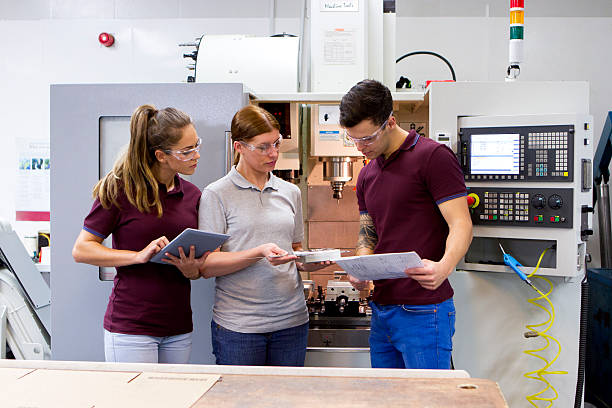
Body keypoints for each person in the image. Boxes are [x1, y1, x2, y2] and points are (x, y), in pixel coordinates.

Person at [339, 79, 473, 369]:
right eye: (353, 139)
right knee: (387, 399)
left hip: (424, 310)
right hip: (382, 309)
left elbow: (461, 223)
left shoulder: (432, 157)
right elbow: (368, 232)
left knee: (429, 400)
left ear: (390, 122)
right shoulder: (367, 174)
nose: (361, 147)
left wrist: (444, 266)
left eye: (367, 138)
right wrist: (361, 267)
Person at [72, 104, 209, 363]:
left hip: (178, 326)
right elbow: (82, 249)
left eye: (196, 145)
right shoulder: (119, 189)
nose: (196, 155)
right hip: (131, 327)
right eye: (187, 150)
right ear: (161, 155)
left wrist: (192, 269)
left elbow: (195, 270)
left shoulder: (192, 195)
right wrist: (137, 256)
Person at [197, 105, 328, 366]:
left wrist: (309, 261)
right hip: (239, 328)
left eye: (277, 144)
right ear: (239, 147)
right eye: (264, 146)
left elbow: (294, 250)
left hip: (291, 322)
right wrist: (258, 252)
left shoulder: (290, 192)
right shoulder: (216, 194)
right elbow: (208, 265)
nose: (274, 153)